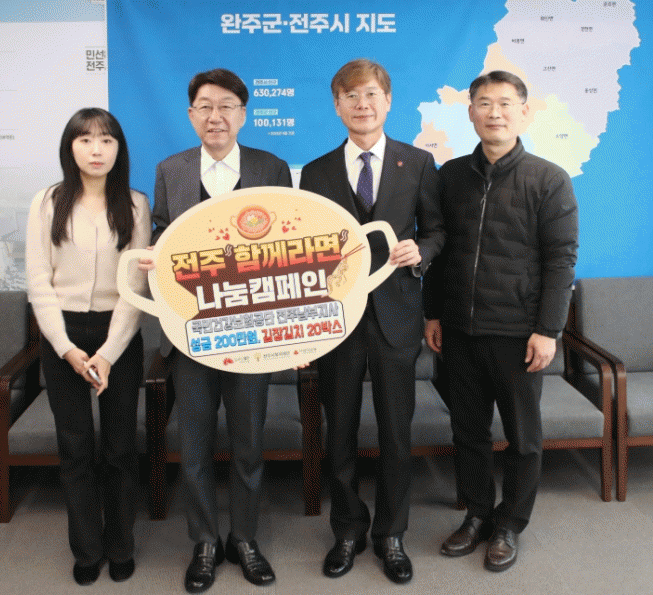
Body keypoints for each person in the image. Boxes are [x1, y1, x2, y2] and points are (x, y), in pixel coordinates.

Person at [138, 68, 292, 593]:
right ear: (191, 115)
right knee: (195, 445)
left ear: (243, 114)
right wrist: (155, 255)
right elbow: (163, 231)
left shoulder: (271, 168)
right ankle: (204, 541)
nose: (215, 116)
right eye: (205, 106)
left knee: (248, 444)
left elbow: (287, 249)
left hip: (251, 335)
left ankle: (244, 539)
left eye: (227, 106)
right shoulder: (171, 169)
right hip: (190, 334)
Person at [423, 70, 578, 572]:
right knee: (468, 431)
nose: (495, 112)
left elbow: (561, 260)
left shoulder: (548, 179)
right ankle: (476, 515)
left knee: (522, 437)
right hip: (459, 331)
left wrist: (548, 330)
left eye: (506, 103)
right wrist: (433, 312)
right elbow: (438, 251)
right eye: (485, 103)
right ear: (470, 112)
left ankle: (510, 523)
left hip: (518, 333)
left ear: (524, 112)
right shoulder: (449, 177)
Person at [299, 59, 444, 585]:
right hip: (336, 321)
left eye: (371, 95)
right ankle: (347, 530)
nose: (362, 104)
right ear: (337, 105)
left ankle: (391, 534)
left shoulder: (418, 162)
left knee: (396, 432)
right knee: (338, 431)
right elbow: (304, 251)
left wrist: (421, 250)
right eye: (351, 96)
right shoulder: (315, 172)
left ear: (388, 102)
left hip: (396, 315)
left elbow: (438, 230)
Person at [26, 108, 151, 585]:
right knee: (75, 448)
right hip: (62, 336)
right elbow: (39, 281)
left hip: (117, 336)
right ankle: (87, 549)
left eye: (106, 140)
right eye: (85, 140)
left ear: (119, 149)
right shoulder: (46, 203)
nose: (96, 150)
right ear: (70, 148)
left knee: (119, 448)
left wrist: (107, 354)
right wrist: (65, 348)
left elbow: (134, 288)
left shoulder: (135, 206)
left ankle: (120, 546)